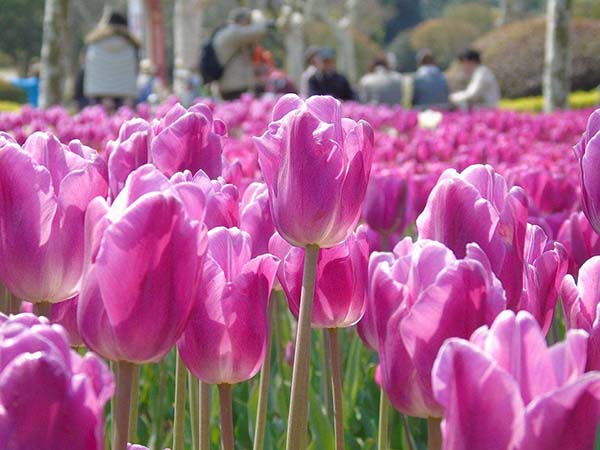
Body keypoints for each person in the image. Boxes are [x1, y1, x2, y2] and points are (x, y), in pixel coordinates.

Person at [84, 11, 139, 109]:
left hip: (99, 92)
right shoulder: (131, 44)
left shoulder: (95, 43)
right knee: (123, 120)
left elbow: (88, 66)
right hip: (125, 94)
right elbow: (136, 68)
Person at [213, 8, 271, 100]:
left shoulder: (224, 31)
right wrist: (258, 16)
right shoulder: (233, 32)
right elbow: (259, 31)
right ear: (243, 20)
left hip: (228, 84)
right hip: (235, 85)